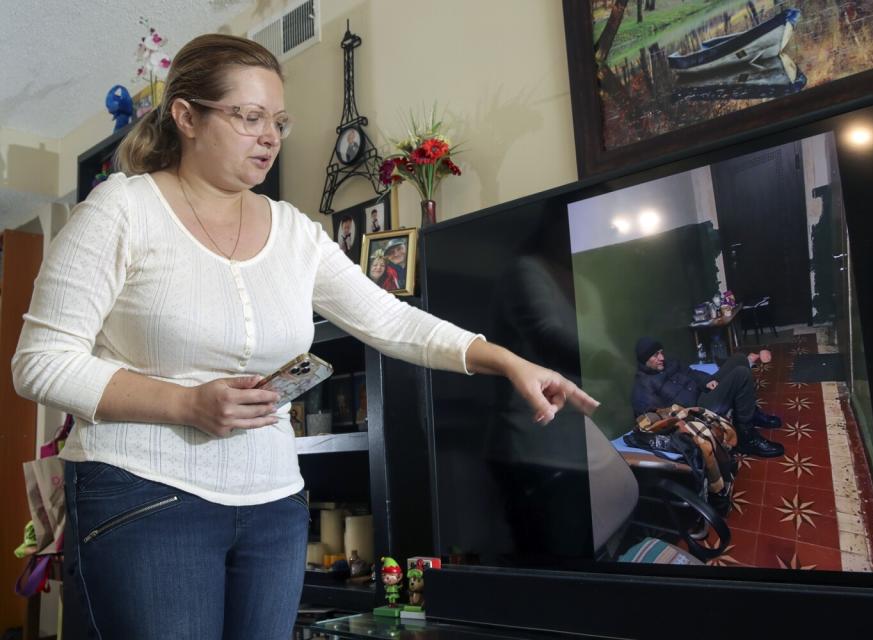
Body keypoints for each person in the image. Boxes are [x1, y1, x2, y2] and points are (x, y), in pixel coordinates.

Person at [11, 34, 598, 640]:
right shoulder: (120, 210)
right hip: (143, 496)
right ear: (186, 116)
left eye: (279, 121)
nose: (269, 136)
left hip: (274, 507)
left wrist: (507, 361)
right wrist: (184, 403)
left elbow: (391, 319)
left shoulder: (294, 231)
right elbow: (41, 364)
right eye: (249, 117)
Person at [630, 337, 784, 457]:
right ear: (645, 360)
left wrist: (707, 381)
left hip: (703, 391)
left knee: (739, 359)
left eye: (661, 352)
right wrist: (682, 417)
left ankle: (752, 413)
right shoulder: (643, 386)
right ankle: (746, 437)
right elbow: (655, 417)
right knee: (741, 374)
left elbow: (692, 373)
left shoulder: (669, 363)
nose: (661, 357)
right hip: (698, 410)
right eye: (655, 355)